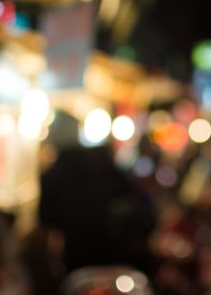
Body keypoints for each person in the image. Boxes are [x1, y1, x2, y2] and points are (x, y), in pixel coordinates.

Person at [22, 111, 156, 294]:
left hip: (76, 258)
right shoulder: (101, 163)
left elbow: (46, 222)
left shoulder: (52, 175)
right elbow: (133, 196)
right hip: (116, 255)